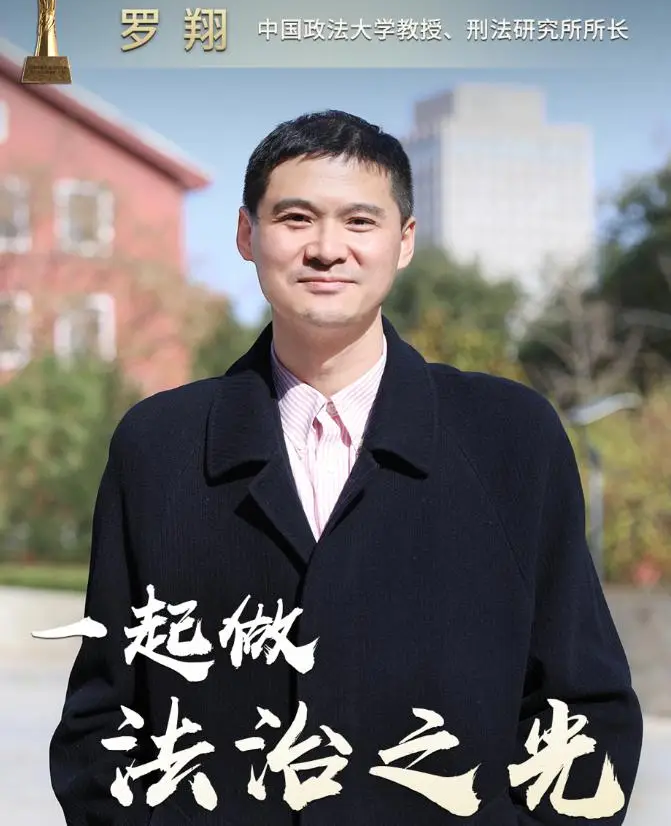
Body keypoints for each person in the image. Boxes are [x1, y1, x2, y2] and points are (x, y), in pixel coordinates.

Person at [51, 110, 642, 825]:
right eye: (295, 218)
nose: (327, 249)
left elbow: (583, 707)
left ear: (404, 240)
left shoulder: (510, 438)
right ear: (247, 235)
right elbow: (102, 720)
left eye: (360, 221)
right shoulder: (159, 446)